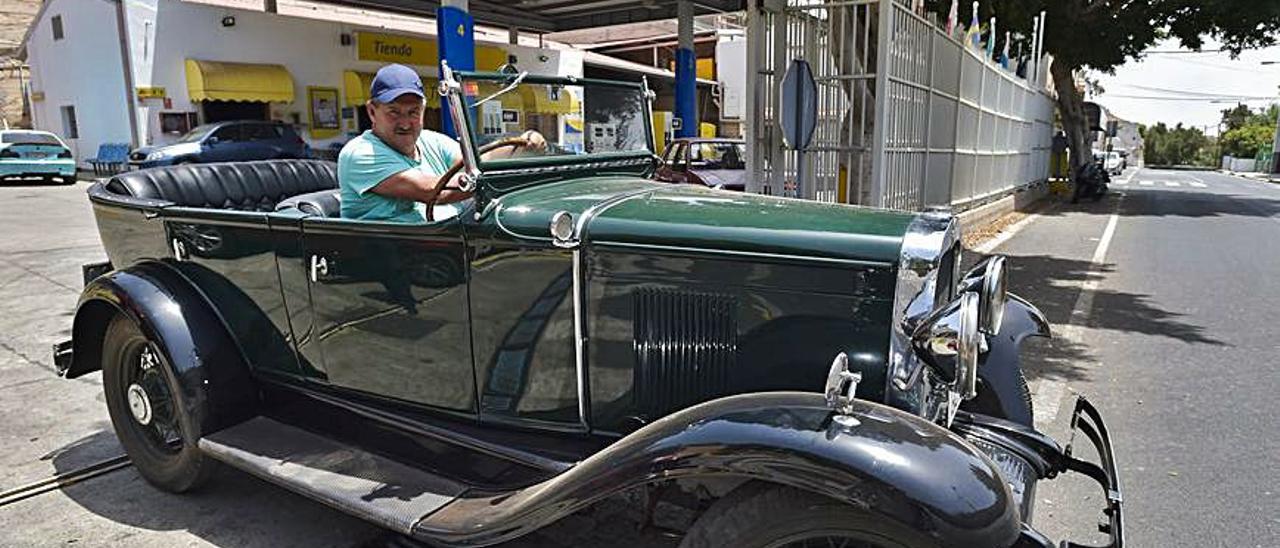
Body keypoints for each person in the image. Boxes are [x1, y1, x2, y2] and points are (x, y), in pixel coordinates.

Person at [338, 63, 545, 223]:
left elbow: (474, 162)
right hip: (398, 258)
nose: (405, 123)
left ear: (424, 110)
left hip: (445, 243)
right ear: (372, 112)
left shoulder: (430, 140)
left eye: (413, 112)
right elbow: (434, 191)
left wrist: (521, 146)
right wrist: (503, 179)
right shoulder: (361, 153)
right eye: (394, 112)